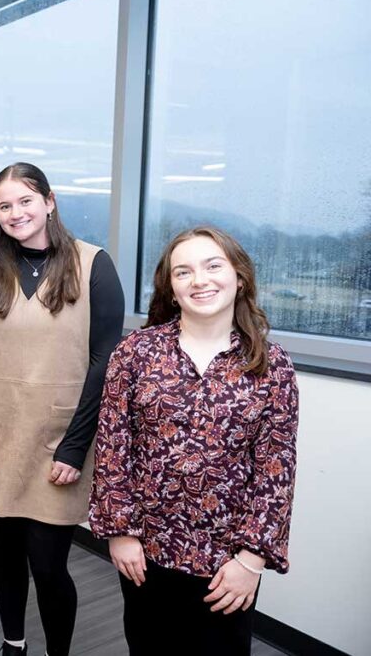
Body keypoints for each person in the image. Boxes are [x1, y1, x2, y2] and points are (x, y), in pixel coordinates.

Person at [89, 226, 299, 656]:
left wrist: (252, 559)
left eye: (212, 266)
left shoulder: (271, 365)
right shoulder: (136, 353)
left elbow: (277, 472)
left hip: (227, 562)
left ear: (239, 277)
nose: (199, 280)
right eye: (183, 272)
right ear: (170, 287)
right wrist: (120, 532)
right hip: (146, 551)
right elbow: (112, 446)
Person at [0, 162, 125, 656]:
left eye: (25, 201)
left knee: (48, 563)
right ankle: (14, 644)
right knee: (6, 550)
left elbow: (105, 361)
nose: (15, 213)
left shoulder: (94, 265)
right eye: (4, 206)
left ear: (50, 201)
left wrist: (75, 447)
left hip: (59, 442)